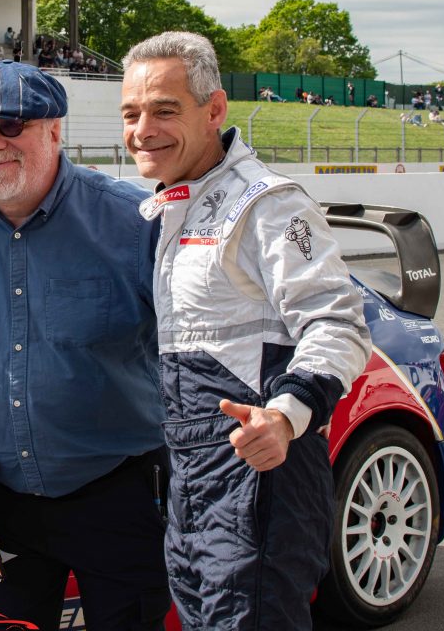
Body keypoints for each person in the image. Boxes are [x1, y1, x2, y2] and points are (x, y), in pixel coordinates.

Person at [119, 31, 370, 631]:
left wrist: (285, 416)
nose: (143, 129)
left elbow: (339, 322)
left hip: (260, 474)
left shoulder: (270, 204)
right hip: (192, 480)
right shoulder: (171, 205)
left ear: (215, 110)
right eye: (132, 113)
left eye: (165, 110)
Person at [0, 60, 169, 631]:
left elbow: (191, 354)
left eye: (11, 125)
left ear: (56, 130)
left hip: (119, 495)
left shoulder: (134, 223)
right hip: (3, 500)